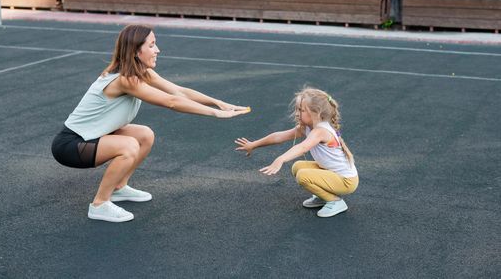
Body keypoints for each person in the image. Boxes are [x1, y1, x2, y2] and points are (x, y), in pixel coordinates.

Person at [52, 24, 249, 223]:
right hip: (71, 145)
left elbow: (178, 92)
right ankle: (99, 204)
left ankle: (119, 188)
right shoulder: (125, 80)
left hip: (91, 139)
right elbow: (171, 102)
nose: (158, 50)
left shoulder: (141, 73)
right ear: (137, 51)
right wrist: (215, 114)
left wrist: (218, 103)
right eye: (152, 45)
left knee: (145, 135)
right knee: (129, 145)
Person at [235, 87, 358, 218]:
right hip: (332, 174)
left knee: (303, 175)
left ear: (316, 113)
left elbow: (302, 147)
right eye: (297, 109)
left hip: (346, 182)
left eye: (301, 110)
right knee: (298, 166)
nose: (297, 113)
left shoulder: (320, 131)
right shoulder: (307, 128)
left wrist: (280, 159)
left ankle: (335, 201)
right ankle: (323, 196)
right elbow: (279, 137)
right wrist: (253, 144)